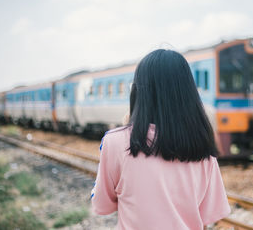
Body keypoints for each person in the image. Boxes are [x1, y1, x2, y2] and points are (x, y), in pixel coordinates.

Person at [91, 49, 230, 229]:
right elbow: (208, 216)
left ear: (138, 91)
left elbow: (102, 205)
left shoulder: (116, 142)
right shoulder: (202, 146)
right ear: (188, 92)